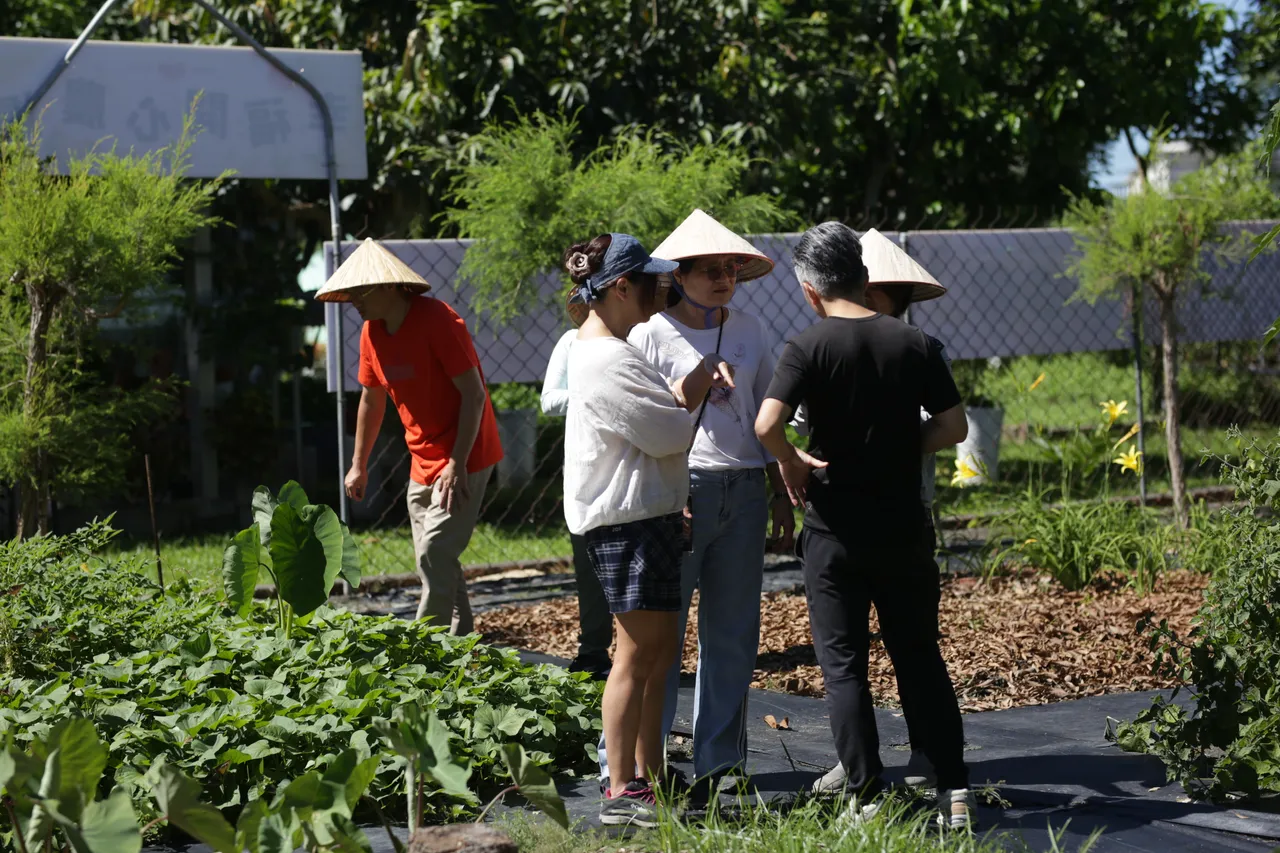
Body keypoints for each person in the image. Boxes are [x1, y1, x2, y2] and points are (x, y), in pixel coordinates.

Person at [753, 222, 976, 830]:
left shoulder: (807, 346)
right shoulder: (914, 342)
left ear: (810, 290)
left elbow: (767, 424)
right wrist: (901, 447)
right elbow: (954, 427)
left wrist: (790, 460)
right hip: (902, 527)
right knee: (919, 656)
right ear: (863, 276)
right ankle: (954, 789)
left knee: (845, 666)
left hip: (834, 532)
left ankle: (868, 794)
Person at [597, 209, 793, 795]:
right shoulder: (650, 334)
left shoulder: (752, 330)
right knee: (657, 636)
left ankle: (719, 764)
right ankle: (637, 767)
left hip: (745, 488)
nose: (723, 277)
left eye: (730, 268)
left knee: (733, 630)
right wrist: (671, 493)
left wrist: (780, 489)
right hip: (683, 491)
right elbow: (644, 424)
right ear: (677, 276)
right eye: (708, 269)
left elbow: (766, 416)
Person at [561, 232, 733, 827]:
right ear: (620, 287)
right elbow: (668, 434)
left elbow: (663, 423)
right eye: (651, 281)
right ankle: (619, 789)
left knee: (657, 654)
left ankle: (649, 775)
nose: (662, 290)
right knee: (634, 656)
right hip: (626, 524)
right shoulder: (604, 357)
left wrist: (684, 396)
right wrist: (686, 407)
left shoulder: (615, 348)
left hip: (647, 518)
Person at [800, 228, 954, 795]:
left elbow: (947, 425)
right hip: (851, 519)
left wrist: (893, 447)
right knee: (854, 654)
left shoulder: (915, 350)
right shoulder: (834, 349)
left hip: (898, 512)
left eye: (873, 294)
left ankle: (924, 755)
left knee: (909, 646)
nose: (861, 300)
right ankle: (859, 762)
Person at [316, 238, 504, 634]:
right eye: (350, 293)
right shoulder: (371, 334)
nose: (354, 301)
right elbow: (371, 400)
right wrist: (358, 465)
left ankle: (424, 648)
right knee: (435, 556)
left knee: (434, 552)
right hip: (422, 460)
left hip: (465, 454)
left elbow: (474, 395)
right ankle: (461, 636)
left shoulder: (438, 320)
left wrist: (456, 462)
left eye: (361, 291)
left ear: (388, 285)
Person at [540, 290, 612, 680]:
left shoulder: (635, 340)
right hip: (586, 470)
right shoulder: (571, 343)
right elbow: (549, 400)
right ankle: (594, 650)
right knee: (589, 567)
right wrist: (594, 395)